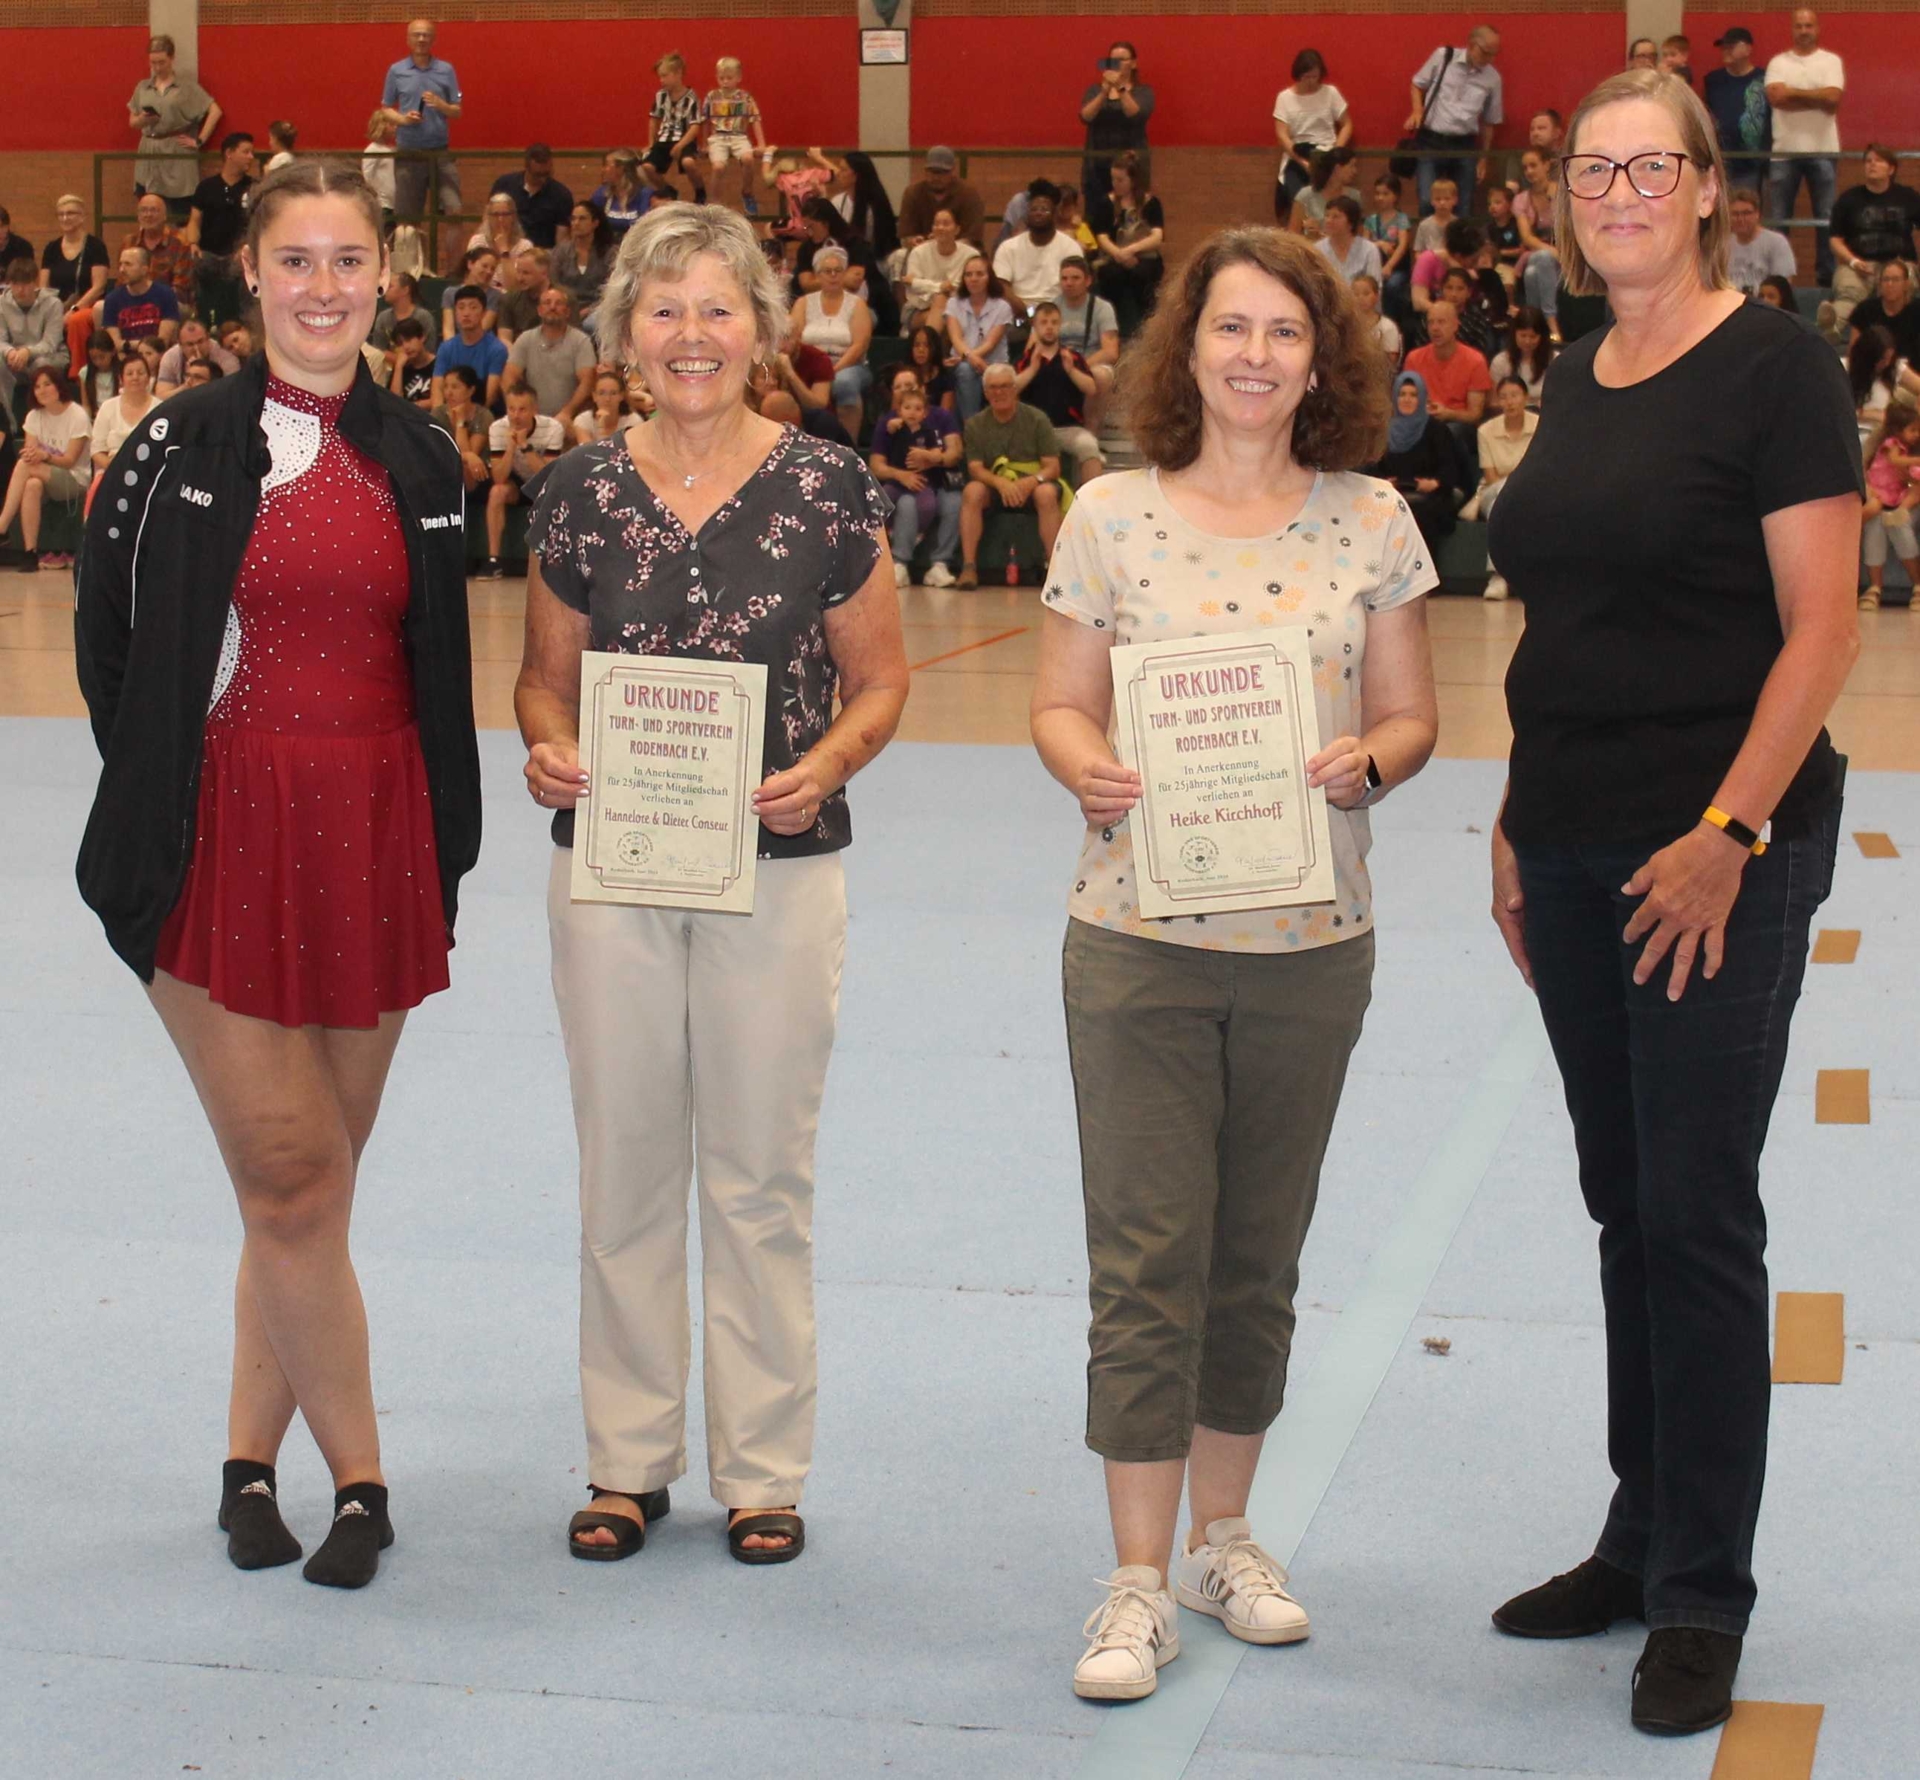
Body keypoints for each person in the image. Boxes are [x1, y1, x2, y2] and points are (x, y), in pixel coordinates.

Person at [1484, 68, 1863, 1737]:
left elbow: (1826, 631)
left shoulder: (1777, 367)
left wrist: (1729, 830)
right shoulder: (1576, 370)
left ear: (1714, 189)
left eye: (1654, 166)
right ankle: (1640, 1542)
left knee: (1698, 1213)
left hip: (1714, 851)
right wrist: (1510, 814)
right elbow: (1559, 621)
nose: (1618, 188)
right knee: (1625, 1202)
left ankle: (1705, 1589)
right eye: (1593, 166)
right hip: (1566, 838)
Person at [1029, 223, 1437, 1704]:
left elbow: (1412, 720)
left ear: (1318, 361)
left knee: (1255, 1263)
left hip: (1310, 948)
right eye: (1231, 329)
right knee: (1147, 1262)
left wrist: (1360, 765)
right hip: (1134, 944)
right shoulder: (1110, 518)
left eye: (1284, 333)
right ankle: (1134, 1581)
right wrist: (1095, 769)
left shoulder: (1374, 519)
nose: (1255, 356)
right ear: (1185, 350)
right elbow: (1060, 709)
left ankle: (1226, 1537)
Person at [73, 161, 481, 1594]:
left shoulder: (421, 457)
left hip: (371, 838)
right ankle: (363, 1482)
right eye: (295, 260)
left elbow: (436, 663)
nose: (324, 287)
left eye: (349, 261)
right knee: (294, 1170)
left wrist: (443, 839)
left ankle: (248, 1463)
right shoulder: (174, 441)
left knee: (304, 1193)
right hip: (217, 837)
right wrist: (166, 802)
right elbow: (111, 648)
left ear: (387, 274)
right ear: (249, 275)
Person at [515, 201, 905, 1567]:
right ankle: (625, 1462)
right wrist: (548, 750)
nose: (693, 334)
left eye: (719, 306)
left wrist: (830, 766)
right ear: (623, 332)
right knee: (622, 1165)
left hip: (782, 868)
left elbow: (882, 681)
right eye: (665, 308)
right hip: (612, 875)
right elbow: (538, 678)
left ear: (762, 328)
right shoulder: (573, 493)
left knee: (759, 1175)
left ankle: (762, 1471)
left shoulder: (830, 487)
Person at [957, 362, 1063, 586]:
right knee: (972, 491)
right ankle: (968, 568)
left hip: (1033, 486)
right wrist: (1000, 483)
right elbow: (975, 468)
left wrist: (1030, 483)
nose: (999, 392)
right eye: (993, 388)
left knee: (1046, 493)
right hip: (995, 488)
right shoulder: (975, 425)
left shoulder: (1037, 419)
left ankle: (1055, 569)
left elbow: (1052, 466)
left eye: (1005, 386)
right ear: (985, 392)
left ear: (1015, 388)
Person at [1765, 8, 1844, 286]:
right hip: (1784, 153)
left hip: (1823, 150)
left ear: (1817, 28)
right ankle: (1777, 281)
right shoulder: (1778, 62)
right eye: (1799, 25)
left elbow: (1833, 99)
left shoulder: (1831, 61)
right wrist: (1816, 98)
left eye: (1808, 25)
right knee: (1779, 221)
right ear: (1792, 29)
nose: (1804, 30)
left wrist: (1794, 94)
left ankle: (1825, 280)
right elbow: (1776, 97)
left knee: (1825, 220)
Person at [870, 375, 962, 584]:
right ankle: (900, 562)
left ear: (921, 389)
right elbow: (876, 465)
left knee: (955, 501)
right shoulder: (889, 423)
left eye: (909, 386)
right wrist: (901, 475)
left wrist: (934, 458)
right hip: (903, 483)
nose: (904, 390)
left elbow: (954, 452)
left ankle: (940, 564)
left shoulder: (942, 417)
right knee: (906, 502)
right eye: (898, 387)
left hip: (937, 481)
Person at [1405, 26, 1504, 214]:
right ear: (1471, 45)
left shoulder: (1493, 79)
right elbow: (1417, 84)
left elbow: (1490, 122)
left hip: (1465, 144)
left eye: (1494, 54)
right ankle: (1430, 244)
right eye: (1485, 53)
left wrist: (1483, 158)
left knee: (1463, 205)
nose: (1489, 59)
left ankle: (1457, 244)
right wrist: (1417, 111)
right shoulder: (1443, 57)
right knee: (1427, 201)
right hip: (1431, 140)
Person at [0, 368, 90, 568]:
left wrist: (45, 455)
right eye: (37, 386)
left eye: (47, 384)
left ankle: (2, 526)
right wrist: (34, 454)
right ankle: (30, 553)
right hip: (43, 475)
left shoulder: (77, 414)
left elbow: (70, 460)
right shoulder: (34, 415)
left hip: (73, 479)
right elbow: (29, 452)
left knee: (25, 465)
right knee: (32, 484)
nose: (42, 390)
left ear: (59, 386)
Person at [1826, 145, 1920, 335]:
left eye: (1878, 160)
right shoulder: (1848, 199)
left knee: (1901, 287)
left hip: (1899, 264)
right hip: (1860, 265)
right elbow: (1835, 239)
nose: (1872, 165)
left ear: (1891, 169)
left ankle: (1906, 336)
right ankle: (1832, 326)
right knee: (1849, 292)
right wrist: (1853, 261)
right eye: (1868, 161)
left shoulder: (1908, 197)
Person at [129, 33, 220, 222]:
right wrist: (144, 119)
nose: (157, 68)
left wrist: (199, 140)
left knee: (181, 209)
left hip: (176, 148)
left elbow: (215, 111)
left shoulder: (186, 87)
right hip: (149, 148)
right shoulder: (143, 87)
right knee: (149, 206)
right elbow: (132, 122)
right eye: (153, 63)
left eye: (161, 62)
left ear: (172, 58)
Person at [382, 17, 463, 222]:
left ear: (433, 39)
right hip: (409, 153)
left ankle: (452, 255)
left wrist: (440, 104)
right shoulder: (396, 70)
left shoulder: (446, 70)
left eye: (426, 35)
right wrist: (403, 119)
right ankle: (414, 255)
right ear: (408, 40)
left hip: (440, 151)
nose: (421, 39)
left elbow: (457, 111)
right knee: (408, 219)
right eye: (416, 35)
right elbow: (386, 109)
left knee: (454, 211)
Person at [787, 243, 872, 442]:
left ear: (844, 274)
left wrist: (832, 370)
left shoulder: (857, 304)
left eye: (838, 270)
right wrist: (820, 369)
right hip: (811, 365)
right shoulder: (803, 303)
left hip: (847, 364)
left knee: (844, 382)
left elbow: (860, 345)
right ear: (818, 275)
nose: (833, 275)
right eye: (827, 271)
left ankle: (848, 446)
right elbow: (793, 337)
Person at [1013, 301, 1104, 485]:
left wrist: (1071, 370)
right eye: (1044, 322)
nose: (1049, 327)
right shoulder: (1025, 359)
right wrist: (1032, 369)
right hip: (1033, 430)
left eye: (1054, 322)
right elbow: (1011, 390)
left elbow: (1091, 389)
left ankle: (1090, 507)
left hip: (1067, 428)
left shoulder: (1072, 357)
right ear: (1035, 326)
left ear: (1060, 325)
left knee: (1089, 446)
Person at [1371, 368, 1463, 550]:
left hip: (1430, 496)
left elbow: (1450, 471)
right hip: (1391, 494)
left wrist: (1434, 484)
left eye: (1413, 395)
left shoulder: (1437, 430)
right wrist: (1384, 483)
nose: (1407, 399)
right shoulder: (1383, 430)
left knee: (1421, 512)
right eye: (1402, 394)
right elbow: (1374, 467)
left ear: (1421, 398)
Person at [482, 384, 565, 573]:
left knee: (555, 492)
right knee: (497, 492)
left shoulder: (552, 428)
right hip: (517, 482)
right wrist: (511, 446)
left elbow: (548, 475)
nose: (516, 415)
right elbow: (499, 477)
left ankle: (554, 563)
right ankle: (494, 560)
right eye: (511, 409)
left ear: (534, 410)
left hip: (545, 484)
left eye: (522, 409)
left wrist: (524, 445)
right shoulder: (497, 428)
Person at [1473, 375, 1537, 596]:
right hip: (1494, 493)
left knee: (1522, 504)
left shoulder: (1541, 426)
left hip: (1531, 493)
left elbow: (1539, 471)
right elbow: (1491, 477)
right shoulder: (1486, 431)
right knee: (1500, 501)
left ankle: (1525, 575)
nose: (1509, 402)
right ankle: (1498, 576)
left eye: (1514, 396)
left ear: (1525, 397)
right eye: (1503, 397)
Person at [186, 133, 258, 331]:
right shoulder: (206, 187)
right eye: (246, 152)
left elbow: (257, 224)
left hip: (240, 257)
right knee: (199, 268)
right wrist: (193, 244)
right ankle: (202, 326)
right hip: (209, 255)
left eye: (252, 152)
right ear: (229, 153)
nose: (251, 157)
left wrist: (246, 247)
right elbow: (194, 221)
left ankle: (244, 330)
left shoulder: (253, 188)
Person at [1272, 50, 1351, 222]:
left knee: (1330, 204)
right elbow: (1282, 135)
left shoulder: (1330, 93)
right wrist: (1302, 161)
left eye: (1314, 77)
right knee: (1298, 200)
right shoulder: (1284, 98)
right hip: (1298, 153)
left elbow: (1347, 124)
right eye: (1306, 77)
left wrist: (1336, 152)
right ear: (1298, 75)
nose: (1310, 82)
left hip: (1326, 153)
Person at [1406, 298, 1492, 453]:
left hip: (1458, 424)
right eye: (1431, 322)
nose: (1435, 328)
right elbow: (1407, 401)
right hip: (1423, 420)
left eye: (1441, 322)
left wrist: (1447, 413)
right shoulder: (1414, 358)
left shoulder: (1475, 360)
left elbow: (1475, 414)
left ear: (1455, 325)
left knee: (1447, 433)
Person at [1093, 154, 1166, 337]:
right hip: (1114, 255)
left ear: (1133, 180)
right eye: (1113, 179)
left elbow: (1157, 236)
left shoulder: (1151, 203)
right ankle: (1114, 327)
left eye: (1120, 180)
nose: (1115, 184)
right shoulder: (1106, 203)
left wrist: (1131, 250)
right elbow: (1102, 236)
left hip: (1143, 255)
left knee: (1143, 274)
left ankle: (1145, 327)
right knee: (1110, 274)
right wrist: (1118, 254)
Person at [1858, 398, 1920, 609]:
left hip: (1900, 497)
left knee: (1899, 526)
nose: (1916, 435)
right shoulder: (1891, 444)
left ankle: (1918, 585)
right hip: (1883, 498)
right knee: (1875, 529)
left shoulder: (1906, 447)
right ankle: (1875, 586)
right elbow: (1894, 462)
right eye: (1913, 430)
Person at [1080, 41, 1154, 216]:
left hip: (1131, 167)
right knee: (1096, 218)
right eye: (1112, 60)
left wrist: (1120, 87)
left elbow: (1135, 114)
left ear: (1133, 63)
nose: (1117, 64)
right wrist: (1104, 91)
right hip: (1097, 166)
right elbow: (1085, 116)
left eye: (1122, 59)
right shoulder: (1094, 90)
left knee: (1129, 216)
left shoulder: (1143, 92)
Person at [505, 286, 596, 426]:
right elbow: (509, 376)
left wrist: (567, 411)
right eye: (547, 303)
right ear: (539, 310)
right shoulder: (526, 339)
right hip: (531, 420)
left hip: (569, 420)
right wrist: (520, 408)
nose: (552, 307)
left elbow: (587, 381)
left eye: (558, 303)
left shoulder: (581, 341)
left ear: (567, 312)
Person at [994, 180, 1080, 314]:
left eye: (1044, 210)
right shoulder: (1008, 247)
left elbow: (1075, 286)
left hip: (1059, 315)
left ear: (1055, 213)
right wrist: (1030, 313)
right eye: (1034, 209)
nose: (1038, 213)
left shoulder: (1071, 248)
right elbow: (1002, 287)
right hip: (1019, 317)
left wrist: (1047, 317)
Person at [946, 253, 1014, 420]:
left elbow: (991, 343)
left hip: (993, 363)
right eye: (968, 275)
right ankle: (972, 427)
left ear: (989, 277)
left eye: (979, 274)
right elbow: (955, 338)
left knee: (971, 370)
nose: (973, 279)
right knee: (965, 370)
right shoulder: (953, 303)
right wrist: (971, 357)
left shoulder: (1002, 306)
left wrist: (972, 358)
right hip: (962, 361)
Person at [1703, 29, 1770, 196]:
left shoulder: (1764, 79)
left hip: (1753, 163)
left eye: (1731, 46)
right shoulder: (1713, 80)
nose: (1725, 50)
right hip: (1720, 160)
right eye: (1724, 46)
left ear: (1748, 49)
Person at [0, 259, 67, 422]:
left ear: (35, 283)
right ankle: (8, 423)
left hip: (50, 357)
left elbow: (50, 343)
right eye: (15, 284)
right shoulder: (1, 304)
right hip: (15, 359)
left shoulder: (53, 304)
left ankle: (48, 421)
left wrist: (27, 352)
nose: (21, 289)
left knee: (41, 366)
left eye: (26, 283)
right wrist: (10, 352)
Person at [701, 56, 766, 216]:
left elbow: (755, 119)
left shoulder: (744, 97)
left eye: (729, 78)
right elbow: (705, 122)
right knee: (718, 167)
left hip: (739, 136)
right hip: (718, 138)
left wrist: (762, 143)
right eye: (721, 78)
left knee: (748, 159)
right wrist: (704, 143)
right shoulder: (712, 96)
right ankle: (714, 201)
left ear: (738, 78)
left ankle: (747, 191)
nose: (725, 81)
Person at [642, 52, 706, 202]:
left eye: (665, 76)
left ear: (678, 74)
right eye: (660, 76)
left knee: (688, 162)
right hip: (664, 138)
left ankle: (700, 190)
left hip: (684, 138)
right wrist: (651, 143)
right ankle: (667, 190)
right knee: (647, 167)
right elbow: (654, 119)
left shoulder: (691, 97)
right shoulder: (661, 95)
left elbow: (695, 126)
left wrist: (680, 145)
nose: (661, 80)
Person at [432, 284, 507, 410]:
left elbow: (491, 396)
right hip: (450, 413)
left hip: (482, 415)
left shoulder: (496, 349)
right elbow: (437, 390)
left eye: (473, 307)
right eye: (461, 308)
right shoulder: (446, 348)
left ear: (483, 313)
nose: (466, 313)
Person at [489, 143, 573, 250]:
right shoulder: (504, 185)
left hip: (544, 254)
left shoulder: (561, 195)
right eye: (537, 175)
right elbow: (490, 219)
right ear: (526, 168)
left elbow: (562, 240)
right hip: (508, 248)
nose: (543, 179)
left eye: (547, 174)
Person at [898, 147, 985, 248]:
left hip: (960, 252)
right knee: (899, 256)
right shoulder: (913, 193)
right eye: (932, 171)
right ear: (925, 170)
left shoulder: (968, 194)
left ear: (952, 171)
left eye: (942, 172)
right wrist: (913, 241)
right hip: (921, 252)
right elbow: (905, 236)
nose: (936, 177)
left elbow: (973, 238)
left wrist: (945, 243)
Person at [901, 207, 971, 333]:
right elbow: (912, 289)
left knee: (946, 313)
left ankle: (931, 350)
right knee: (943, 304)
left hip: (961, 309)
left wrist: (922, 284)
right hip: (917, 309)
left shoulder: (969, 255)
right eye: (936, 224)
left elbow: (963, 290)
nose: (940, 228)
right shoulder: (919, 252)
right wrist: (940, 287)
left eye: (946, 224)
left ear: (957, 229)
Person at [125, 191, 195, 313]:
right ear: (138, 216)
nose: (148, 215)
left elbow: (180, 288)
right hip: (132, 301)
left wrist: (148, 301)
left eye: (154, 210)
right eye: (144, 210)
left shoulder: (180, 243)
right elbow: (123, 280)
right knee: (101, 307)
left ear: (164, 216)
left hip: (169, 303)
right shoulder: (129, 242)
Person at [89, 349, 158, 473]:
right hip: (111, 471)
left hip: (148, 472)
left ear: (148, 378)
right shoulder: (107, 407)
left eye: (140, 373)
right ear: (121, 379)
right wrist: (114, 467)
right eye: (130, 373)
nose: (135, 377)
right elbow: (96, 450)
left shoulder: (160, 408)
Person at [101, 246, 181, 351]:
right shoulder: (112, 299)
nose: (122, 270)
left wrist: (128, 345)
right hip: (127, 361)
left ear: (144, 270)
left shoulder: (165, 294)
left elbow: (161, 344)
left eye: (128, 264)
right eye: (120, 264)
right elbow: (116, 345)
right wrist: (141, 345)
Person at [430, 360, 490, 497]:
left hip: (477, 475)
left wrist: (460, 421)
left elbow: (470, 455)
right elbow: (438, 451)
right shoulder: (438, 414)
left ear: (471, 390)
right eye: (446, 387)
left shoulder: (483, 415)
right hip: (445, 468)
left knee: (463, 468)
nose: (449, 393)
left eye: (455, 387)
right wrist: (467, 456)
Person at [1725, 187, 1796, 297]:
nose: (1740, 219)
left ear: (1757, 214)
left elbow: (1783, 287)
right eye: (1735, 214)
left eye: (1746, 213)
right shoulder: (1722, 245)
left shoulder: (1776, 242)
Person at [1847, 258, 1920, 364]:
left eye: (1895, 279)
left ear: (1906, 284)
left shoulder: (1917, 310)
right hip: (1874, 371)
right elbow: (1853, 352)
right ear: (1880, 284)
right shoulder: (1865, 310)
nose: (1890, 284)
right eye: (1886, 279)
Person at [551, 202, 612, 321]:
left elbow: (612, 290)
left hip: (598, 309)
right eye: (573, 219)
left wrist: (590, 310)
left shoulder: (609, 253)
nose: (576, 223)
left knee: (591, 323)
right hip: (565, 308)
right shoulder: (561, 251)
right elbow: (554, 283)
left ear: (595, 223)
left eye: (582, 219)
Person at [156, 318, 241, 396]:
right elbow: (161, 396)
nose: (196, 348)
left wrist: (202, 372)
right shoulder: (170, 357)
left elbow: (233, 392)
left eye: (200, 341)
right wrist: (186, 385)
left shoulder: (226, 355)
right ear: (180, 345)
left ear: (208, 338)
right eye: (190, 344)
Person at [1288, 146, 1356, 239]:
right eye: (1351, 166)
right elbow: (1293, 235)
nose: (1355, 171)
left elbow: (1356, 237)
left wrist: (1321, 234)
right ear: (1337, 168)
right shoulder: (1305, 195)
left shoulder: (1354, 197)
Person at [1488, 305, 1553, 401]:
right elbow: (1493, 402)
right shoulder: (1500, 362)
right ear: (1514, 334)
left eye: (1533, 336)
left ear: (1542, 337)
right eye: (1523, 335)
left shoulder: (1554, 360)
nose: (1527, 341)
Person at [1314, 195, 1382, 287]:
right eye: (1327, 215)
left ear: (1351, 222)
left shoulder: (1369, 249)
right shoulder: (1317, 249)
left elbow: (1375, 289)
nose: (1329, 220)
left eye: (1336, 217)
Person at [370, 271, 437, 355]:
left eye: (390, 286)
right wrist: (398, 361)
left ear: (405, 290)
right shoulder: (383, 318)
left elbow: (429, 351)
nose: (385, 290)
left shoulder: (423, 317)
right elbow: (378, 349)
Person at [470, 194, 533, 281]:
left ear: (513, 217)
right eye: (495, 215)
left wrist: (504, 250)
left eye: (505, 214)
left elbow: (516, 286)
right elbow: (472, 278)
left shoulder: (525, 246)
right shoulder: (477, 242)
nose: (500, 219)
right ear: (488, 217)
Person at [573, 366, 639, 445]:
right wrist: (601, 428)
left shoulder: (633, 421)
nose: (607, 399)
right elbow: (588, 455)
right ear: (594, 396)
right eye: (602, 393)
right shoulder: (583, 420)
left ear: (621, 396)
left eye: (613, 393)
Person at [592, 150, 651, 237]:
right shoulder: (602, 193)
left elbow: (646, 227)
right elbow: (590, 218)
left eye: (606, 165)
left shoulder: (645, 194)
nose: (602, 170)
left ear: (620, 169)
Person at [387, 316, 437, 407]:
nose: (406, 347)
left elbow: (440, 400)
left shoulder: (439, 364)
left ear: (422, 337)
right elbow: (394, 403)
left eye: (409, 340)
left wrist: (411, 408)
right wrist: (398, 367)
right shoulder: (401, 367)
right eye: (400, 344)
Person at [1351, 271, 1402, 360]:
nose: (1361, 298)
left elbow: (1391, 361)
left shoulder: (1388, 327)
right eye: (1356, 294)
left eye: (1366, 293)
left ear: (1377, 296)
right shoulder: (1347, 325)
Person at [362, 108, 400, 216]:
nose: (395, 128)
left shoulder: (391, 149)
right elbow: (367, 175)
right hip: (382, 203)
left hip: (393, 203)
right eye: (392, 124)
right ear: (381, 126)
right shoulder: (373, 149)